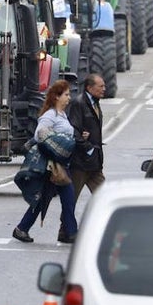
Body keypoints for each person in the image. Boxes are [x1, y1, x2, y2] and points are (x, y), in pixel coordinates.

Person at [13, 80, 77, 244]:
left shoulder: (62, 114)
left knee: (46, 200)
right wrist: (57, 142)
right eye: (66, 95)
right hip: (52, 166)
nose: (69, 98)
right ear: (56, 96)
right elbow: (38, 135)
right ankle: (72, 233)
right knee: (66, 198)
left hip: (60, 164)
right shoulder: (50, 115)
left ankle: (22, 228)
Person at [67, 73, 105, 216]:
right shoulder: (79, 103)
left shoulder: (95, 103)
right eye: (100, 86)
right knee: (71, 199)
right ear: (89, 87)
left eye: (104, 86)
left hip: (94, 164)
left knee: (105, 196)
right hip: (80, 163)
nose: (104, 89)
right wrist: (88, 148)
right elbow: (74, 131)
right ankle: (65, 230)